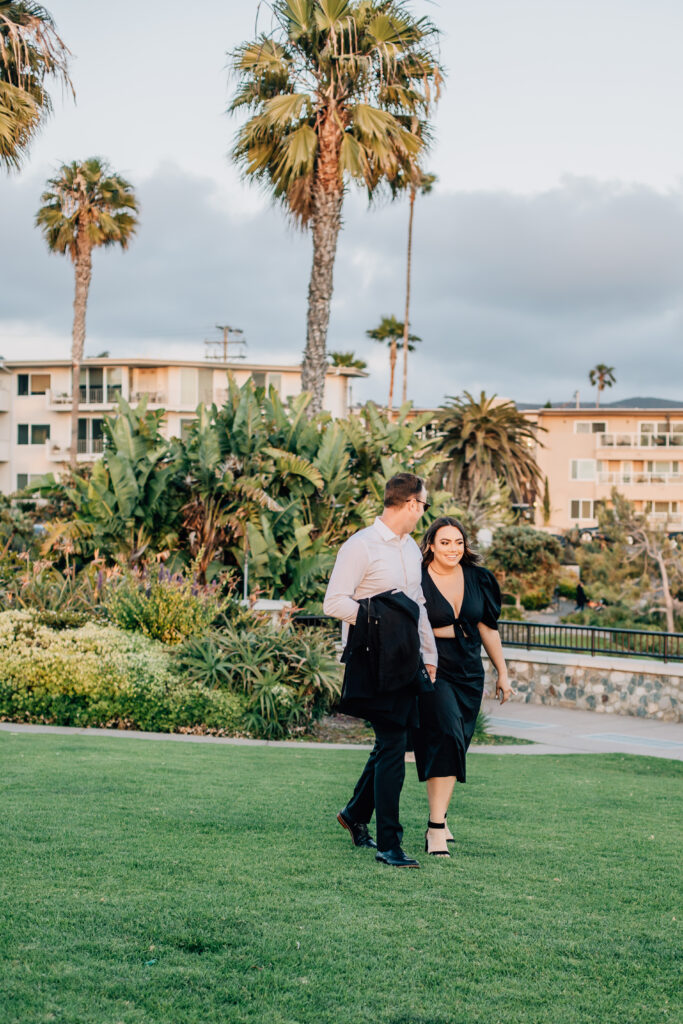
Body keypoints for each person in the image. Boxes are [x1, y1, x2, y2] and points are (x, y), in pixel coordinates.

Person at [323, 472, 438, 869]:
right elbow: (334, 602)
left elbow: (418, 604)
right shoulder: (361, 546)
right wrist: (380, 621)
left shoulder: (409, 549)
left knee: (393, 742)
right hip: (374, 660)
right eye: (424, 505)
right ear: (411, 504)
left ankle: (354, 814)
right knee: (392, 745)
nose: (423, 513)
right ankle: (389, 844)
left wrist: (430, 655)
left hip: (407, 660)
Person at [412, 516, 511, 857]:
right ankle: (435, 830)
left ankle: (439, 816)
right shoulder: (417, 578)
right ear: (430, 546)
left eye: (458, 542)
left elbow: (487, 628)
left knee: (456, 743)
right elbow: (410, 624)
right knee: (448, 734)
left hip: (469, 671)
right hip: (432, 669)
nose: (452, 548)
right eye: (445, 542)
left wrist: (503, 671)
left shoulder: (479, 578)